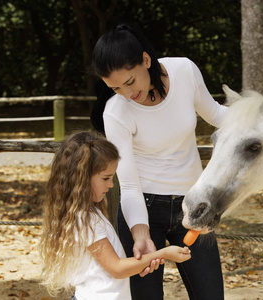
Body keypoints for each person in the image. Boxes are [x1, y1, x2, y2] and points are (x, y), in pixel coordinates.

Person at [90, 23, 228, 299]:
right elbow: (128, 185)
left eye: (129, 82)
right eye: (114, 87)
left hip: (194, 206)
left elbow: (217, 115)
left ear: (145, 60)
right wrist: (141, 235)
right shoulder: (116, 111)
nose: (127, 93)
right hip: (142, 209)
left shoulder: (183, 71)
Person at [38, 131, 191, 300]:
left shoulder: (86, 214)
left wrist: (145, 261)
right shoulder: (87, 220)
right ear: (82, 178)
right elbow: (117, 268)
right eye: (106, 178)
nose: (111, 185)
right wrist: (164, 253)